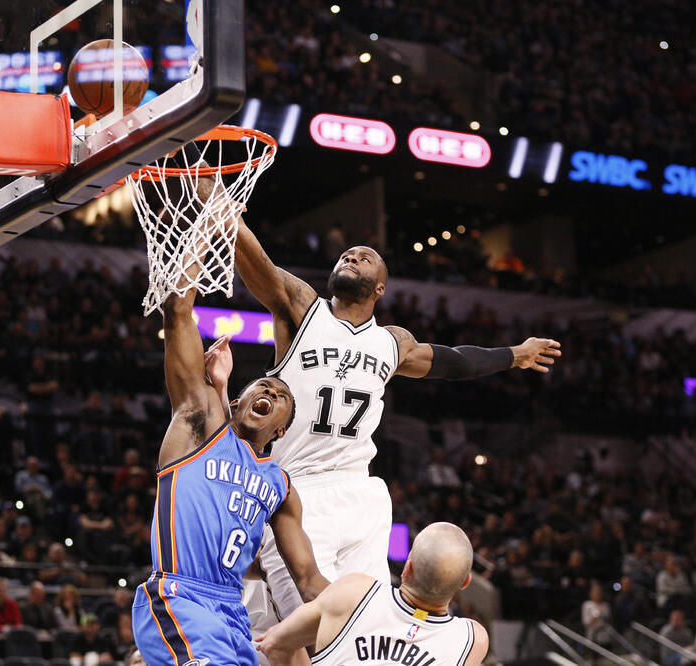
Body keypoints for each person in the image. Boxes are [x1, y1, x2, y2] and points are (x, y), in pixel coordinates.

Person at [231, 216, 561, 634]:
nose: (352, 257)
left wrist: (516, 354)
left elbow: (456, 362)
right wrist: (226, 214)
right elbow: (258, 265)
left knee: (365, 628)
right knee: (310, 628)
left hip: (361, 489)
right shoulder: (304, 311)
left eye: (364, 257)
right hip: (299, 488)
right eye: (346, 255)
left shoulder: (392, 342)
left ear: (380, 288)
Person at [130, 275, 327, 666]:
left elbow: (308, 580)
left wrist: (360, 615)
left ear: (282, 430)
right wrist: (198, 245)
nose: (271, 392)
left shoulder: (281, 487)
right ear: (237, 402)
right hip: (182, 596)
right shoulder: (197, 428)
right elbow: (177, 310)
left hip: (234, 615)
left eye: (282, 396)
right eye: (264, 386)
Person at [256, 522, 489, 666]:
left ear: (407, 568)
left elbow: (274, 644)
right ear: (465, 582)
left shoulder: (354, 592)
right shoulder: (473, 639)